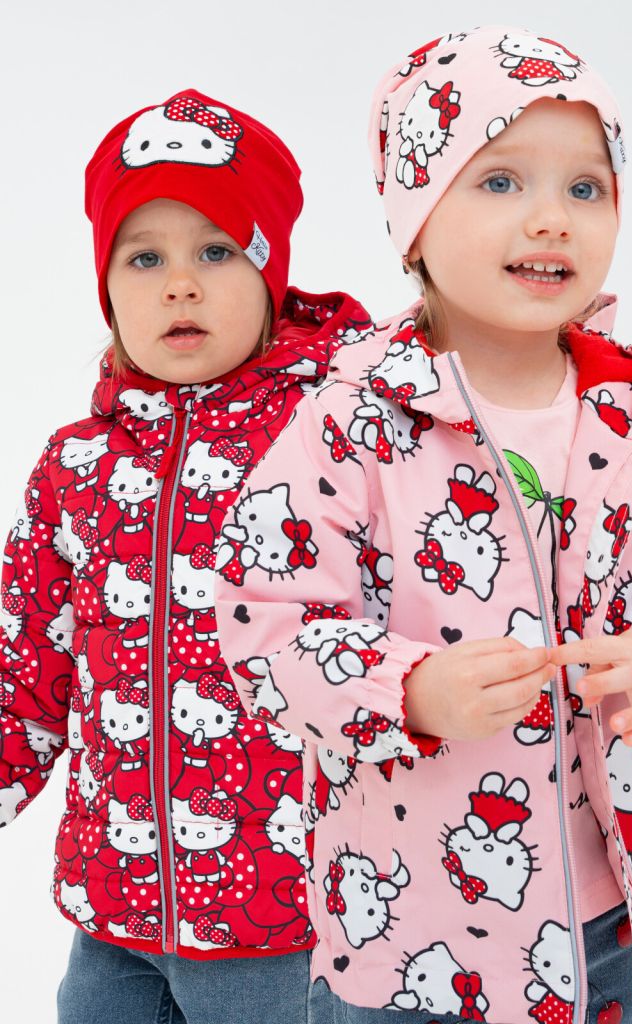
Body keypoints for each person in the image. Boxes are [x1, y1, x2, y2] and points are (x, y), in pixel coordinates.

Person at [214, 27, 632, 1024]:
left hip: (616, 928)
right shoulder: (350, 421)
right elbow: (265, 625)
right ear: (415, 219)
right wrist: (408, 689)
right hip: (407, 946)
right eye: (501, 181)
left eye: (585, 187)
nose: (551, 218)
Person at [0, 87, 370, 1024]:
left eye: (216, 251)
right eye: (144, 257)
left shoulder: (333, 437)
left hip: (284, 915)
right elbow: (25, 668)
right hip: (112, 914)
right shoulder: (75, 467)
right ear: (107, 287)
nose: (180, 284)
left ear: (270, 270)